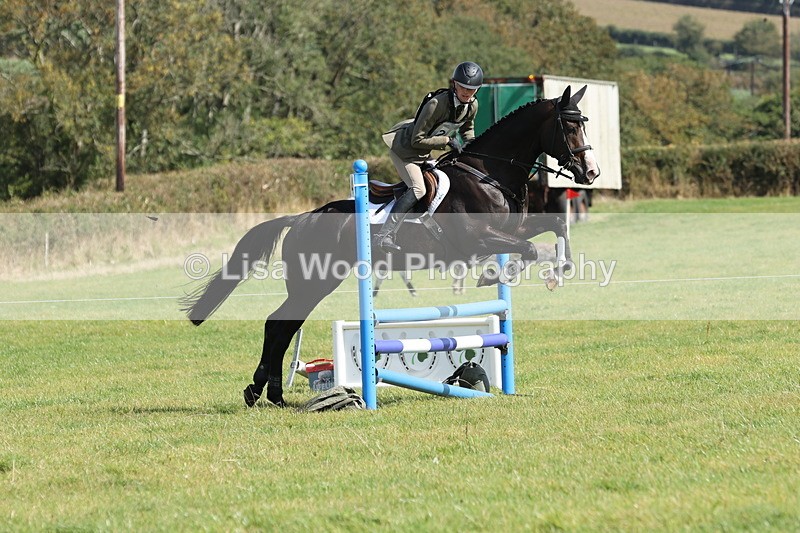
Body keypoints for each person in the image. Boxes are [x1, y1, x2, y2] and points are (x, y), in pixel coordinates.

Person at [374, 61, 483, 253]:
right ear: (454, 84)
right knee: (418, 189)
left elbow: (468, 130)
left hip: (425, 153)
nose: (467, 92)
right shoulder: (436, 104)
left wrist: (472, 145)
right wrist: (447, 141)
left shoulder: (472, 105)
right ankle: (384, 235)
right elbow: (417, 140)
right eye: (464, 87)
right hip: (405, 150)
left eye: (472, 89)